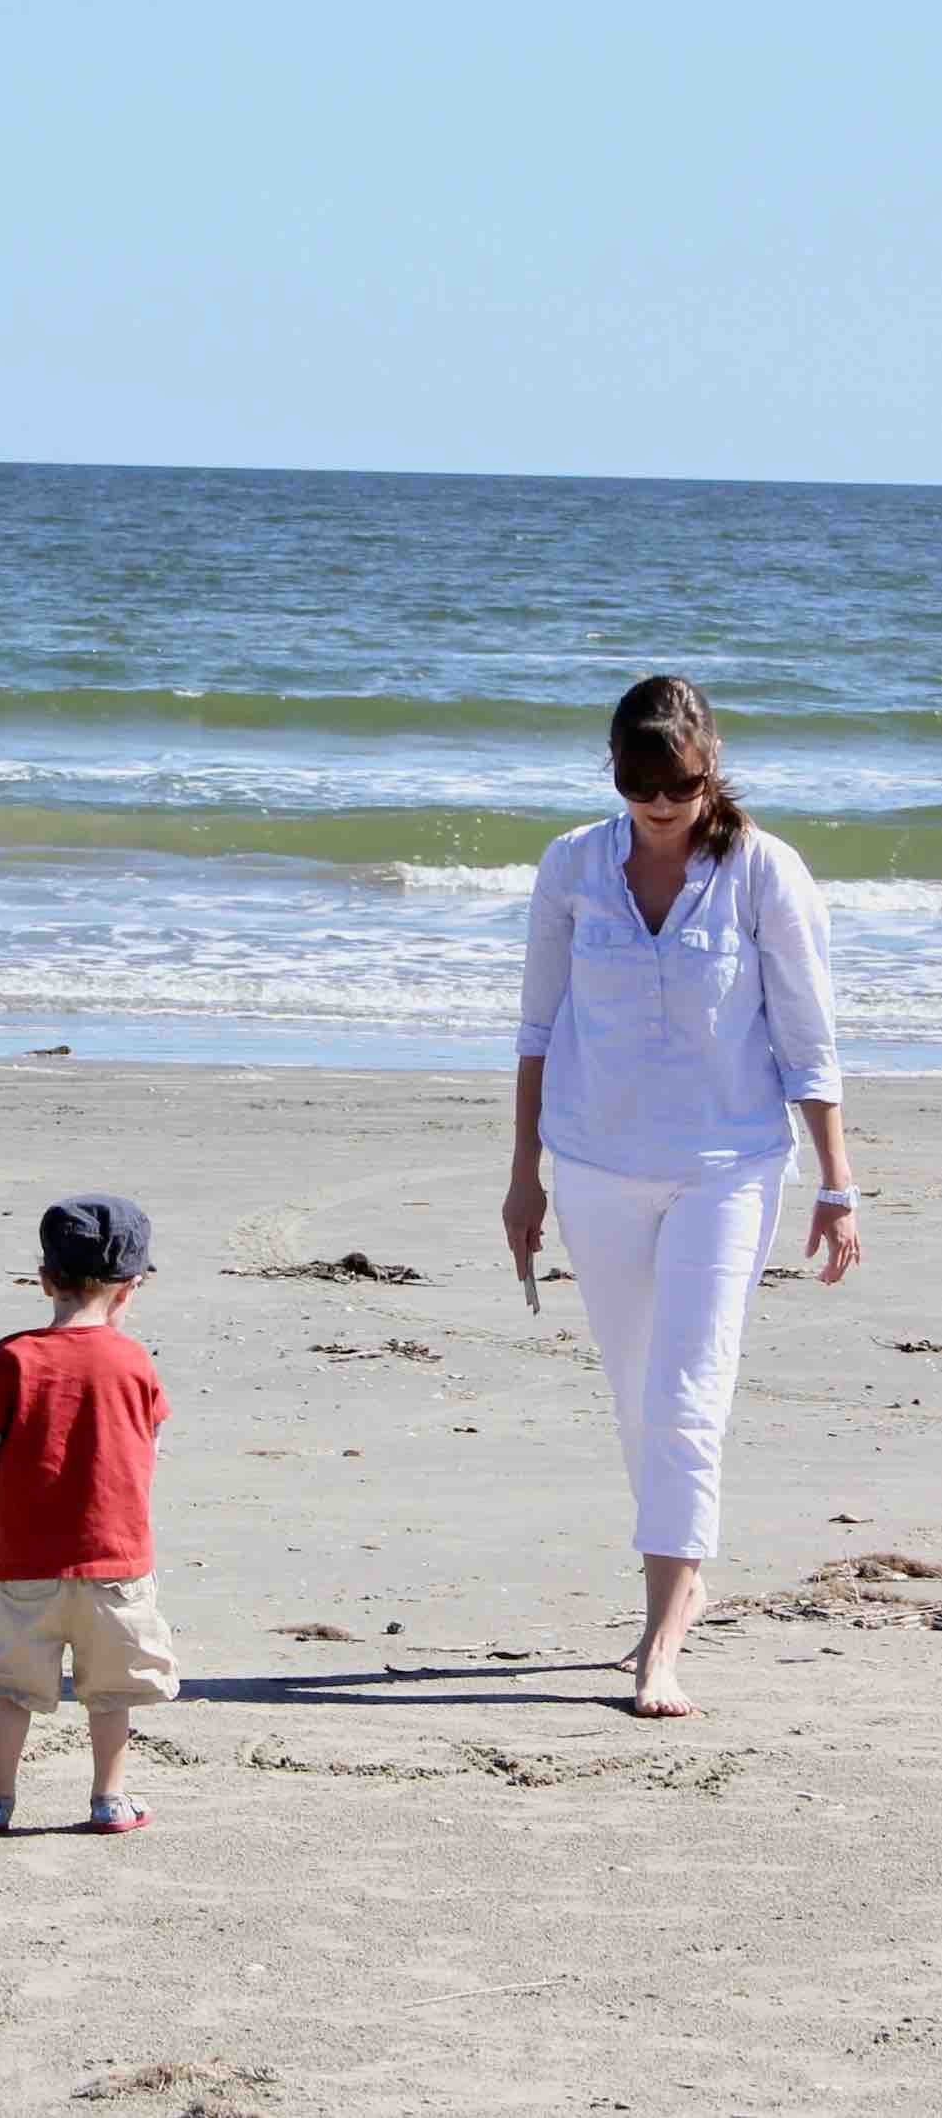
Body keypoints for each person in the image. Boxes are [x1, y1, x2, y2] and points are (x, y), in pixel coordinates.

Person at [501, 675, 860, 1718]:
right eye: (636, 782)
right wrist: (522, 1173)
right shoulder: (572, 866)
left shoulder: (762, 873)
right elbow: (536, 1026)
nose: (658, 802)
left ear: (712, 768)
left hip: (728, 1165)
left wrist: (837, 1182)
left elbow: (808, 1036)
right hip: (594, 1163)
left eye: (678, 782)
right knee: (633, 1396)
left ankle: (663, 1633)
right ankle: (682, 1569)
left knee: (688, 1396)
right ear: (611, 772)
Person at [0, 1193, 178, 1832]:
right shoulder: (134, 1361)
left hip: (24, 1563)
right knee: (110, 1694)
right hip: (116, 1560)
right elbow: (151, 1442)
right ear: (131, 1289)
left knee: (13, 1690)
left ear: (45, 1279)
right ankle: (109, 1799)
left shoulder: (17, 1357)